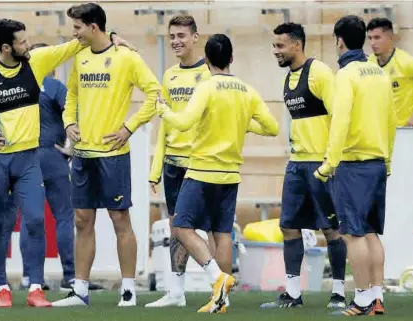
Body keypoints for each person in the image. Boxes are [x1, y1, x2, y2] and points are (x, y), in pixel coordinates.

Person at [0, 17, 132, 308]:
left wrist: (111, 35)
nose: (28, 44)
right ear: (6, 47)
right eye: (21, 41)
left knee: (36, 220)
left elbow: (74, 45)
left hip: (29, 160)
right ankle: (2, 288)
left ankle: (36, 289)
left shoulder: (37, 61)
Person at [155, 33, 279, 313]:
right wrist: (245, 125)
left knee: (182, 228)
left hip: (200, 171)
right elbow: (272, 127)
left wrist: (164, 111)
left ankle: (217, 277)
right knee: (222, 233)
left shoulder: (207, 87)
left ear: (207, 60)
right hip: (230, 175)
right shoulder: (247, 90)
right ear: (231, 59)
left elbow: (184, 123)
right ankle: (222, 299)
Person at [50, 3, 162, 308]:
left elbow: (154, 93)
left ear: (93, 27)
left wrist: (129, 127)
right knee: (82, 220)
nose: (73, 34)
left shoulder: (127, 58)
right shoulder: (80, 56)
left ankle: (128, 290)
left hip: (113, 153)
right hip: (83, 153)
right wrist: (69, 122)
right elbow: (72, 94)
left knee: (119, 219)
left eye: (77, 28)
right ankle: (81, 291)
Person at [260, 22, 348, 310]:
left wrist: (331, 160)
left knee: (331, 229)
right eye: (274, 46)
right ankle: (293, 294)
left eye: (280, 46)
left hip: (321, 164)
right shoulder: (289, 77)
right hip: (296, 164)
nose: (276, 51)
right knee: (288, 226)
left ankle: (337, 293)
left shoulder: (320, 72)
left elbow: (339, 116)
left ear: (297, 45)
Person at [313, 15, 396, 316]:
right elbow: (391, 121)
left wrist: (328, 163)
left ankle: (361, 299)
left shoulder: (346, 74)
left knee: (353, 234)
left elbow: (340, 121)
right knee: (371, 232)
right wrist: (387, 159)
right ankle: (376, 297)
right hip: (377, 164)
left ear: (339, 41)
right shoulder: (379, 72)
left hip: (352, 164)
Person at [12, 42, 104, 293]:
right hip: (51, 156)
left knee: (30, 218)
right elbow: (77, 116)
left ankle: (30, 278)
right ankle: (71, 276)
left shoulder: (16, 87)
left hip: (24, 157)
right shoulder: (54, 86)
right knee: (64, 215)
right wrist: (71, 149)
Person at [145, 14, 222, 308]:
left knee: (212, 228)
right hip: (173, 165)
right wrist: (155, 170)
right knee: (176, 226)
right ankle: (177, 291)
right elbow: (164, 124)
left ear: (195, 38)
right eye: (172, 36)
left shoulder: (210, 75)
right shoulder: (169, 75)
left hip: (201, 163)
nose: (176, 41)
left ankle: (220, 286)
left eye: (181, 36)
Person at [367, 17, 413, 127]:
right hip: (382, 130)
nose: (372, 43)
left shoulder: (406, 62)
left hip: (407, 129)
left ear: (390, 37)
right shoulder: (369, 63)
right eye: (370, 38)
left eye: (377, 37)